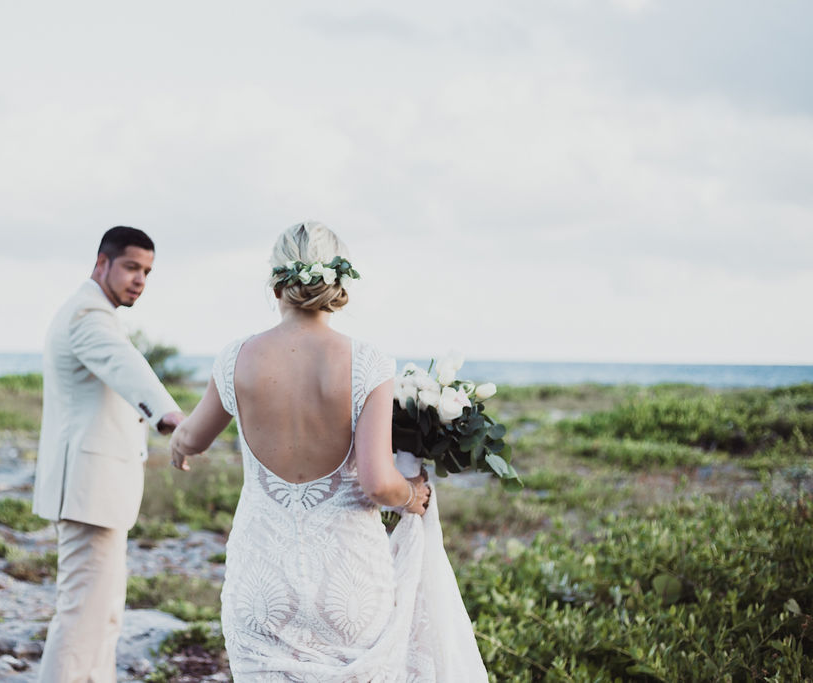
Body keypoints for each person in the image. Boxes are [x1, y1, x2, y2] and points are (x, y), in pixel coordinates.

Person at [169, 222, 488, 681]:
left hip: (262, 584)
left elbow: (194, 437)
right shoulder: (367, 360)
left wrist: (179, 444)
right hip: (349, 587)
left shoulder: (235, 357)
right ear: (338, 280)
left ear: (276, 280)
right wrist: (412, 494)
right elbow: (380, 483)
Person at [32, 226, 185, 683]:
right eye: (132, 268)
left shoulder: (92, 311)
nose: (140, 280)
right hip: (87, 492)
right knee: (82, 620)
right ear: (102, 263)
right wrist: (170, 416)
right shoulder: (87, 315)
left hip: (97, 493)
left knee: (103, 618)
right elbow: (125, 365)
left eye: (147, 272)